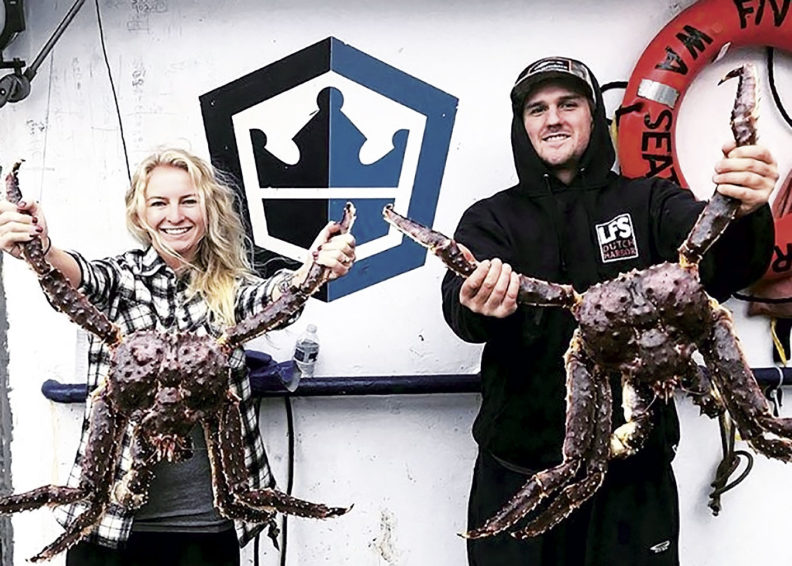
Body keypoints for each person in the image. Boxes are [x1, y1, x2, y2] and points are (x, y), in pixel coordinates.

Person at [441, 56, 778, 566]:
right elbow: (460, 306)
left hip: (634, 485)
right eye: (537, 109)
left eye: (568, 104)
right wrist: (476, 302)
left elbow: (724, 267)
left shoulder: (651, 201)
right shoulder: (491, 219)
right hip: (518, 471)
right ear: (522, 125)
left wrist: (749, 208)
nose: (552, 118)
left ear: (595, 118)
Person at [0, 148, 356, 566]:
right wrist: (40, 248)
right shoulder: (119, 281)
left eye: (189, 201)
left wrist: (312, 269)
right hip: (108, 519)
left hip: (207, 523)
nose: (175, 215)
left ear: (209, 209)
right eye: (159, 203)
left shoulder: (231, 291)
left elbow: (276, 297)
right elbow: (74, 278)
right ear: (140, 215)